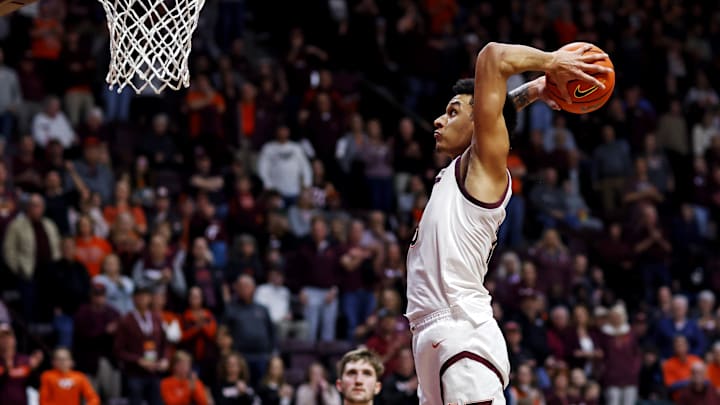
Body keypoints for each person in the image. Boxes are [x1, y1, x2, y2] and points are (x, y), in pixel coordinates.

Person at [404, 41, 610, 405]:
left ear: (478, 120)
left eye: (452, 112)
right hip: (430, 333)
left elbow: (492, 56)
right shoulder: (455, 171)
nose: (438, 120)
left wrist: (552, 61)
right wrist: (535, 89)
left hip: (460, 328)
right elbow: (495, 110)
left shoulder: (482, 169)